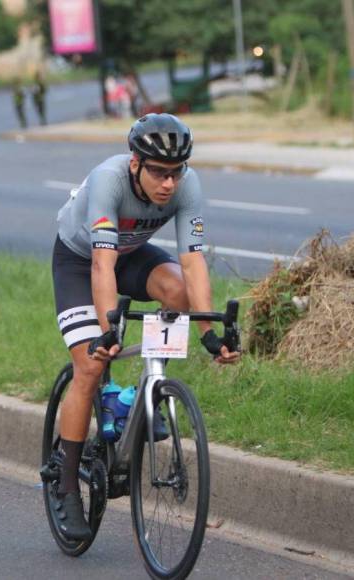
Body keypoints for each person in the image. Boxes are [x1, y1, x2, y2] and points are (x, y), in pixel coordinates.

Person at [51, 113, 240, 540]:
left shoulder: (188, 185)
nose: (169, 184)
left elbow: (193, 261)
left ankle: (150, 392)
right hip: (81, 262)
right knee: (90, 367)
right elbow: (102, 264)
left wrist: (208, 332)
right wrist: (108, 331)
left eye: (176, 173)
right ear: (135, 163)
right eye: (159, 172)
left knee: (177, 292)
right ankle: (65, 485)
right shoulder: (108, 180)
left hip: (132, 253)